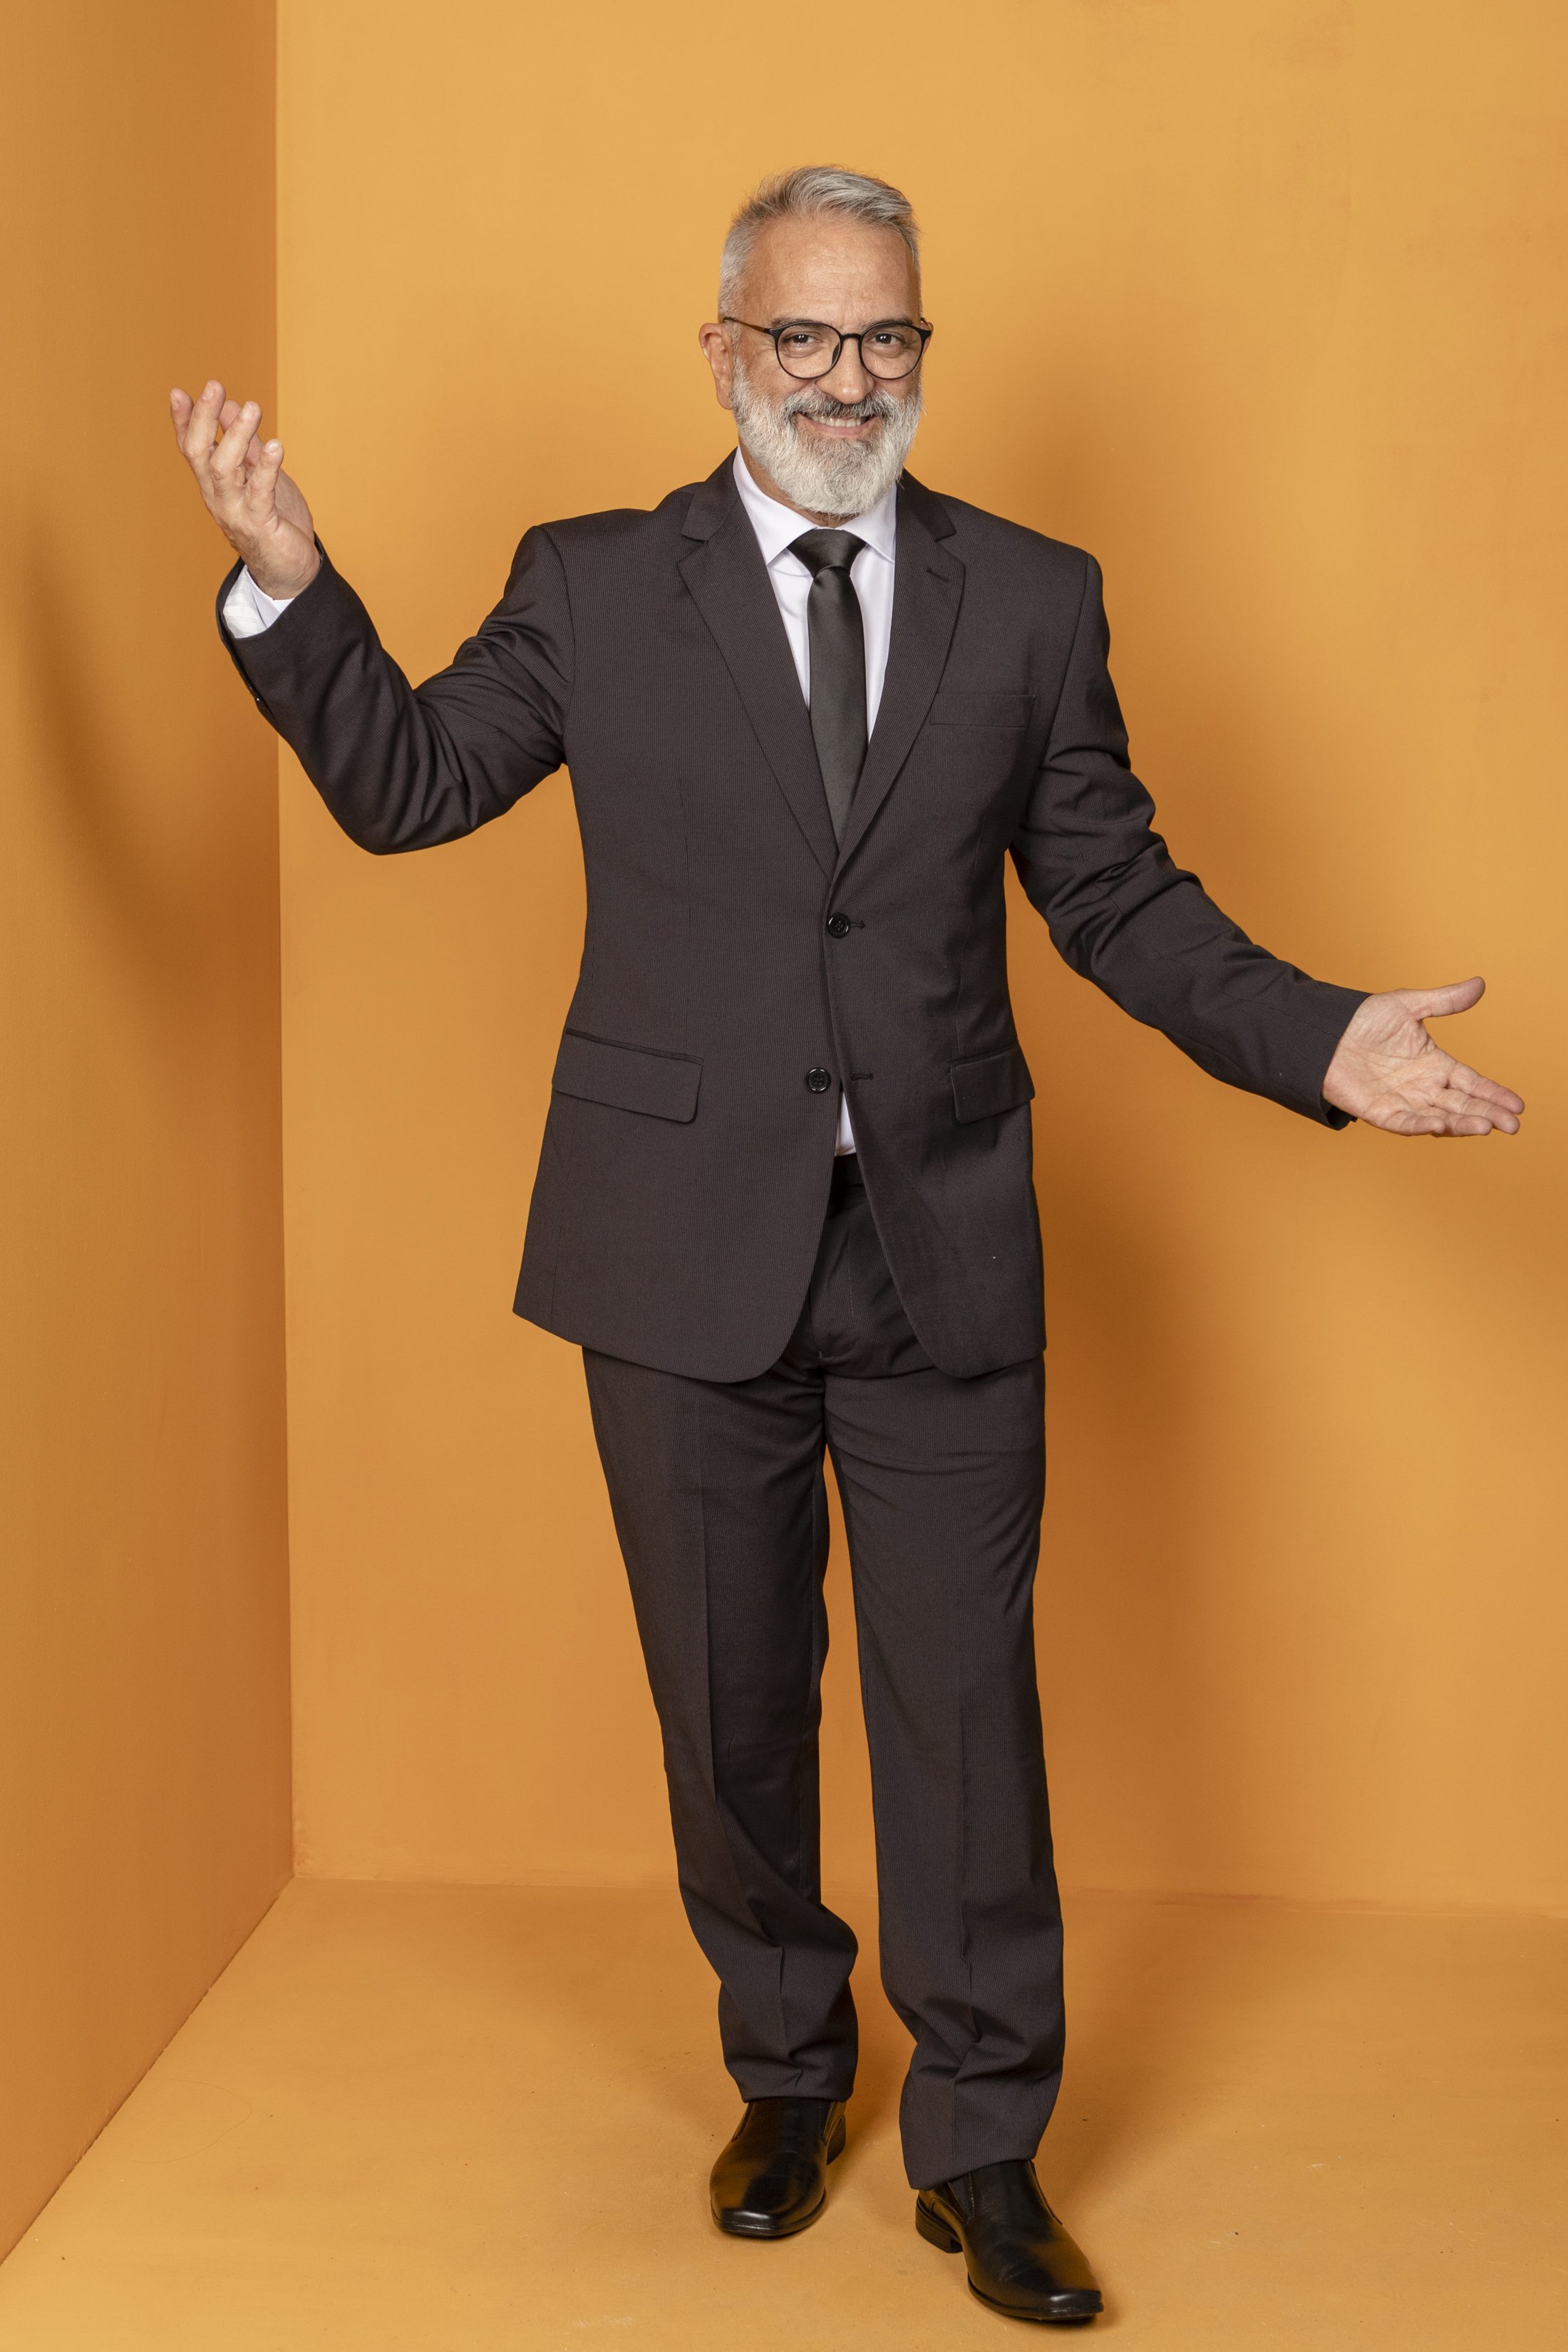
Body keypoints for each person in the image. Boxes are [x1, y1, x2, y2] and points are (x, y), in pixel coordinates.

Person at [170, 165, 1522, 2330]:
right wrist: (287, 588)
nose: (844, 379)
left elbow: (1116, 894)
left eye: (885, 337)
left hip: (938, 1243)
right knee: (730, 1713)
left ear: (917, 349)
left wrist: (1321, 1038)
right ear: (724, 350)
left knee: (966, 1714)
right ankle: (789, 2076)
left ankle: (985, 2146)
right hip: (672, 1249)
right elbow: (411, 784)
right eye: (801, 337)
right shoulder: (596, 584)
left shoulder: (1034, 597)